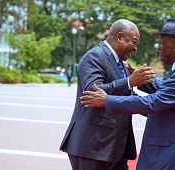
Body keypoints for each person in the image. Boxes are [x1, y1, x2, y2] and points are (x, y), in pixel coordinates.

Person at [80, 18, 175, 170]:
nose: (159, 48)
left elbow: (153, 102)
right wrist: (142, 80)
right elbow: (168, 90)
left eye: (162, 43)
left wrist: (108, 100)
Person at [59, 19, 155, 170]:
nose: (135, 48)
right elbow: (92, 91)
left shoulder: (120, 64)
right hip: (93, 148)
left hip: (116, 149)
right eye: (134, 42)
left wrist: (157, 109)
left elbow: (126, 97)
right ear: (119, 37)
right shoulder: (94, 57)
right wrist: (129, 82)